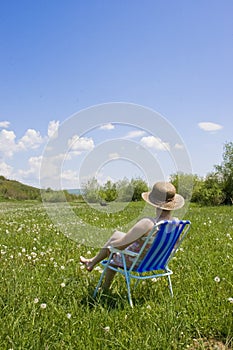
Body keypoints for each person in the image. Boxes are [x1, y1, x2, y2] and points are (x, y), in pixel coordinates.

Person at [80, 181, 184, 291]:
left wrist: (110, 246)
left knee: (112, 259)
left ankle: (105, 288)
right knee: (117, 235)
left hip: (137, 262)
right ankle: (91, 262)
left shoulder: (148, 223)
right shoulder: (177, 224)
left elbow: (121, 246)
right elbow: (173, 247)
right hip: (157, 261)